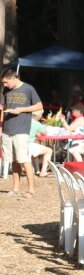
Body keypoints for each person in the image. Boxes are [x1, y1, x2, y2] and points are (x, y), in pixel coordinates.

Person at [1, 69, 43, 197]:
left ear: (13, 78)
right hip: (7, 129)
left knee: (24, 159)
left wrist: (22, 109)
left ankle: (31, 189)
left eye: (6, 82)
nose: (4, 85)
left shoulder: (28, 88)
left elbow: (39, 106)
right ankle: (15, 188)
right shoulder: (6, 90)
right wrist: (1, 126)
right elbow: (4, 108)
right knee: (12, 160)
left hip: (21, 129)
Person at [28, 112, 52, 177]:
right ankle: (43, 172)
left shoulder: (24, 120)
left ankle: (32, 168)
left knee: (34, 150)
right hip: (29, 145)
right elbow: (45, 133)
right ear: (38, 116)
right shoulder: (36, 123)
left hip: (20, 144)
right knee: (49, 150)